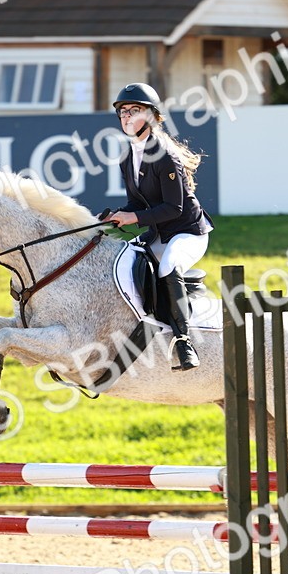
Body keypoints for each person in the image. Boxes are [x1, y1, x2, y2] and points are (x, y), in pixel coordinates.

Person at [102, 83, 212, 371]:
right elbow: (136, 204)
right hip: (159, 234)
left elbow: (173, 208)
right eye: (123, 112)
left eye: (133, 111)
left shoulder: (164, 155)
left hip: (188, 233)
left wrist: (132, 219)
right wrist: (113, 216)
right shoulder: (127, 158)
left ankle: (184, 342)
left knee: (167, 266)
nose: (126, 117)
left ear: (150, 116)